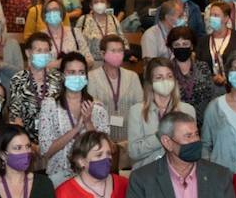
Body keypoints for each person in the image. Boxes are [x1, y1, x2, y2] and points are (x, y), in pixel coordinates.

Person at [39, 52, 111, 186]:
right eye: (71, 72)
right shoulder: (50, 105)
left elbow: (106, 148)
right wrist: (76, 129)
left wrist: (88, 123)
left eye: (81, 72)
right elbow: (46, 151)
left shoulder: (98, 108)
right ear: (62, 75)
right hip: (59, 177)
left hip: (91, 176)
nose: (77, 76)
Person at [128, 57, 197, 169]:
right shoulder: (136, 111)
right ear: (150, 82)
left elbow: (190, 148)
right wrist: (161, 135)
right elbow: (133, 152)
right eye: (159, 77)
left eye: (169, 76)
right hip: (147, 175)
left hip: (179, 172)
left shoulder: (187, 110)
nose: (165, 81)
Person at [87, 35, 143, 146]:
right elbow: (92, 111)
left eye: (120, 50)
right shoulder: (92, 77)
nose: (117, 54)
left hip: (130, 138)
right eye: (113, 50)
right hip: (102, 140)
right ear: (103, 54)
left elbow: (140, 107)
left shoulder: (133, 76)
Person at [7, 33, 61, 140]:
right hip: (27, 140)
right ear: (28, 53)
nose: (43, 54)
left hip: (56, 138)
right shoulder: (18, 79)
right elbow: (15, 115)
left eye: (46, 51)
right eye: (38, 50)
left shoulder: (58, 78)